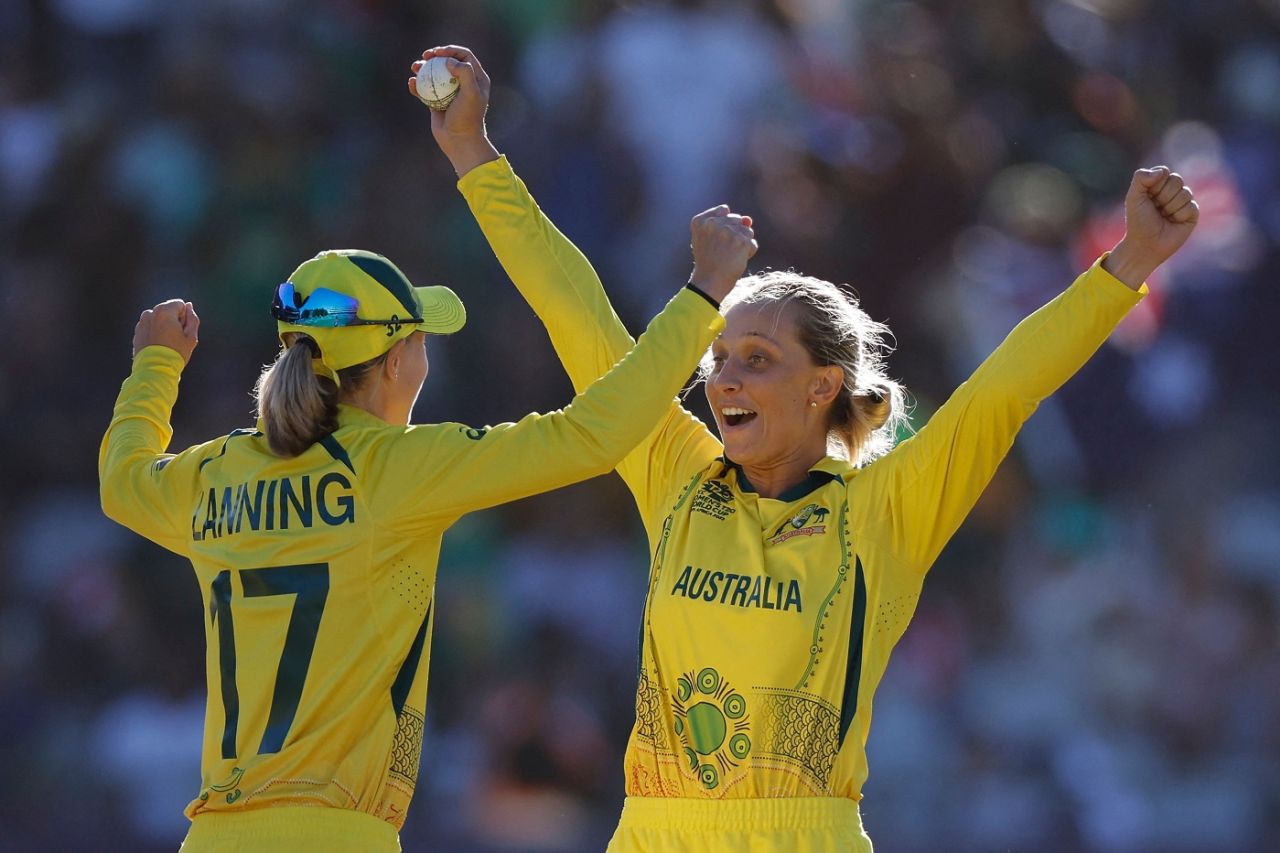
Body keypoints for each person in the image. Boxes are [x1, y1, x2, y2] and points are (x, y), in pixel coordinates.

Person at [424, 45, 1201, 851]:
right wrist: (473, 154)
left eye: (758, 361)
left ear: (822, 386)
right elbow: (572, 309)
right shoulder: (672, 469)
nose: (725, 380)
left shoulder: (886, 508)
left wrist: (1131, 261)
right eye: (719, 358)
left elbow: (1002, 392)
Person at [98, 120, 758, 850]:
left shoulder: (215, 473)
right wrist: (703, 295)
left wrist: (155, 369)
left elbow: (122, 483)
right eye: (420, 342)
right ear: (393, 363)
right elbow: (595, 431)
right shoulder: (401, 467)